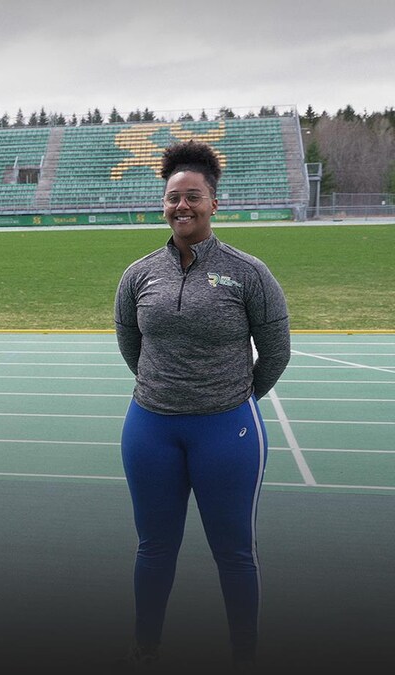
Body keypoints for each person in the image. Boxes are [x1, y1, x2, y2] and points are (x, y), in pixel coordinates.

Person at [113, 140, 291, 667]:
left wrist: (233, 398)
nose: (182, 207)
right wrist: (163, 389)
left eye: (193, 196)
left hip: (226, 432)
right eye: (173, 198)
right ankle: (146, 647)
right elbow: (130, 343)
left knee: (234, 552)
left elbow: (276, 351)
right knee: (153, 548)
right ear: (163, 204)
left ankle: (244, 653)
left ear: (215, 203)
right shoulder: (138, 274)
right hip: (151, 429)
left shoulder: (249, 272)